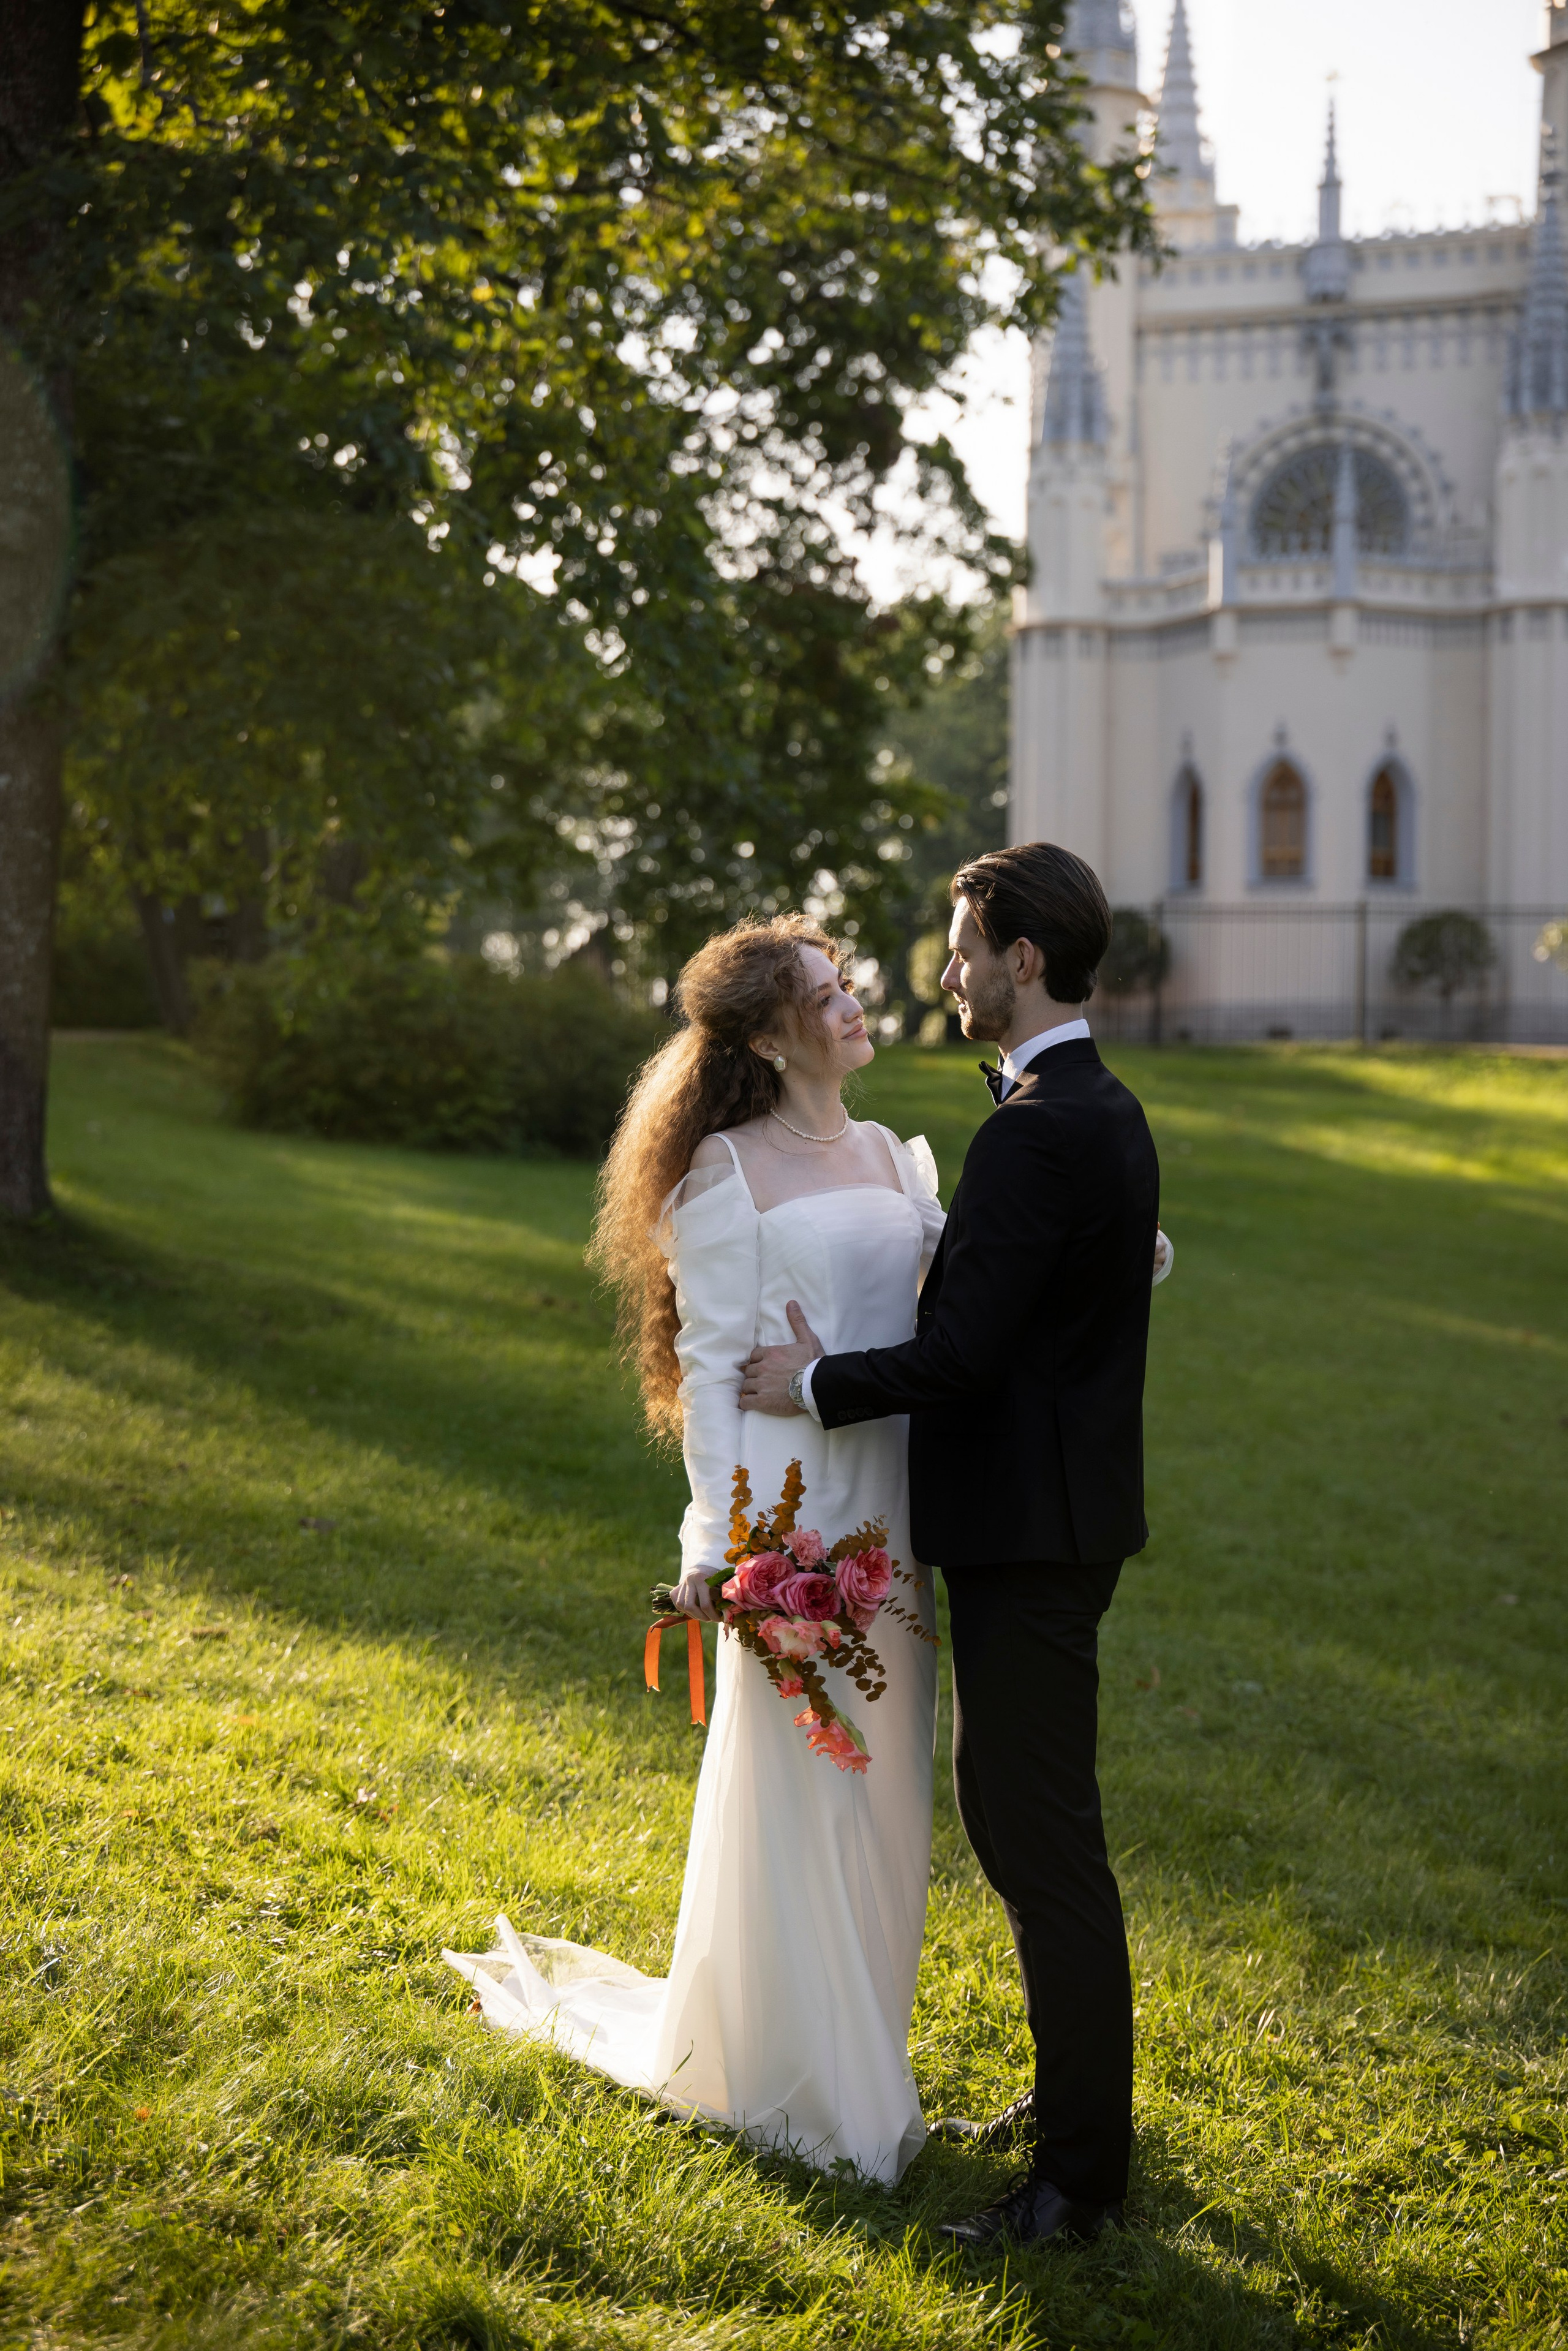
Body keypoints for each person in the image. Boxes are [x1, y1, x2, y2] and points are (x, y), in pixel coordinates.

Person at [444, 913, 945, 2184]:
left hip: (888, 1504)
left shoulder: (894, 1156)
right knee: (801, 1786)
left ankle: (861, 2051)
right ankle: (805, 2083)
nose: (852, 1004)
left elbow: (959, 1318)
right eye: (826, 994)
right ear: (773, 1037)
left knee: (882, 1791)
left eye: (846, 985)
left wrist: (1111, 1258)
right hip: (790, 1516)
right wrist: (719, 1546)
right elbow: (712, 1374)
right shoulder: (724, 1173)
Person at [740, 841, 1166, 2246]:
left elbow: (964, 1349)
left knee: (1042, 1844)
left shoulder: (1039, 1124)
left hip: (1029, 1532)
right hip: (1052, 1519)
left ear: (1019, 959)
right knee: (1021, 1823)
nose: (946, 972)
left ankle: (1077, 2183)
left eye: (962, 945)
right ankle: (1068, 2117)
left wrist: (808, 1384)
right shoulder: (1086, 1105)